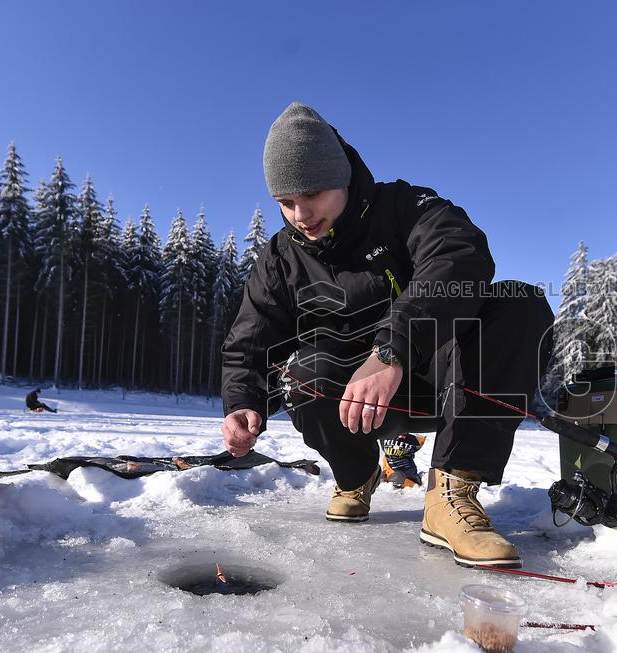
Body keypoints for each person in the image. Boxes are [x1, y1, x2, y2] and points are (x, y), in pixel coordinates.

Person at [220, 102, 553, 568]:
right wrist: (242, 402)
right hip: (350, 404)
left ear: (343, 176)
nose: (300, 213)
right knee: (304, 371)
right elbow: (249, 339)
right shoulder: (280, 259)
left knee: (518, 301)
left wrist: (391, 349)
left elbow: (460, 256)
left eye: (312, 193)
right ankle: (356, 476)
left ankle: (450, 491)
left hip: (442, 383)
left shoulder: (404, 207)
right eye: (286, 201)